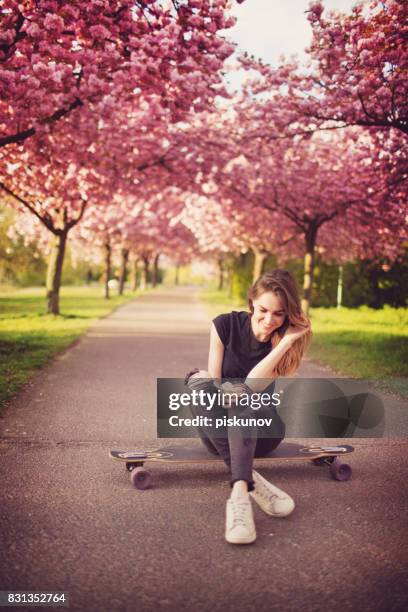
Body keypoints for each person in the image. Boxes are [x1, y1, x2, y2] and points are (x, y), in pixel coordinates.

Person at [184, 269, 311, 545]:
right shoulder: (224, 325)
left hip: (264, 431)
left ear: (288, 314)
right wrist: (212, 386)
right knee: (199, 382)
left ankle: (238, 496)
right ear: (251, 301)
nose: (269, 321)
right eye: (263, 310)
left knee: (243, 396)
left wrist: (288, 340)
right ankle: (250, 483)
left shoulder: (284, 338)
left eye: (279, 314)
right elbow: (215, 386)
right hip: (220, 434)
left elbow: (252, 385)